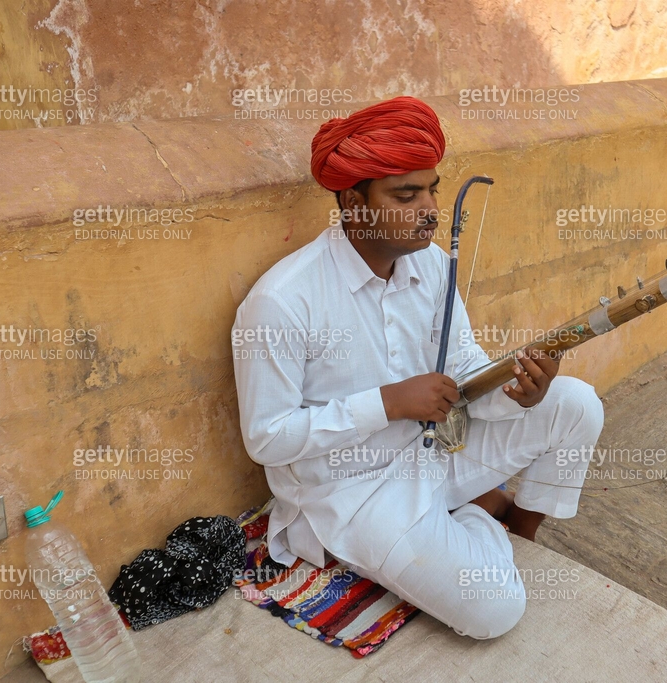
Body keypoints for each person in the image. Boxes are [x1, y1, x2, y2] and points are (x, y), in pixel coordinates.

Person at [232, 96, 604, 639]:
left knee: (574, 404)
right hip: (353, 493)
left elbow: (464, 368)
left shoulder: (429, 263)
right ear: (353, 202)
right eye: (406, 195)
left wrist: (516, 392)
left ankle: (517, 533)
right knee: (494, 613)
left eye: (431, 188)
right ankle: (480, 514)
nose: (429, 208)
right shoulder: (283, 301)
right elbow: (266, 439)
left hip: (434, 450)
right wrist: (386, 402)